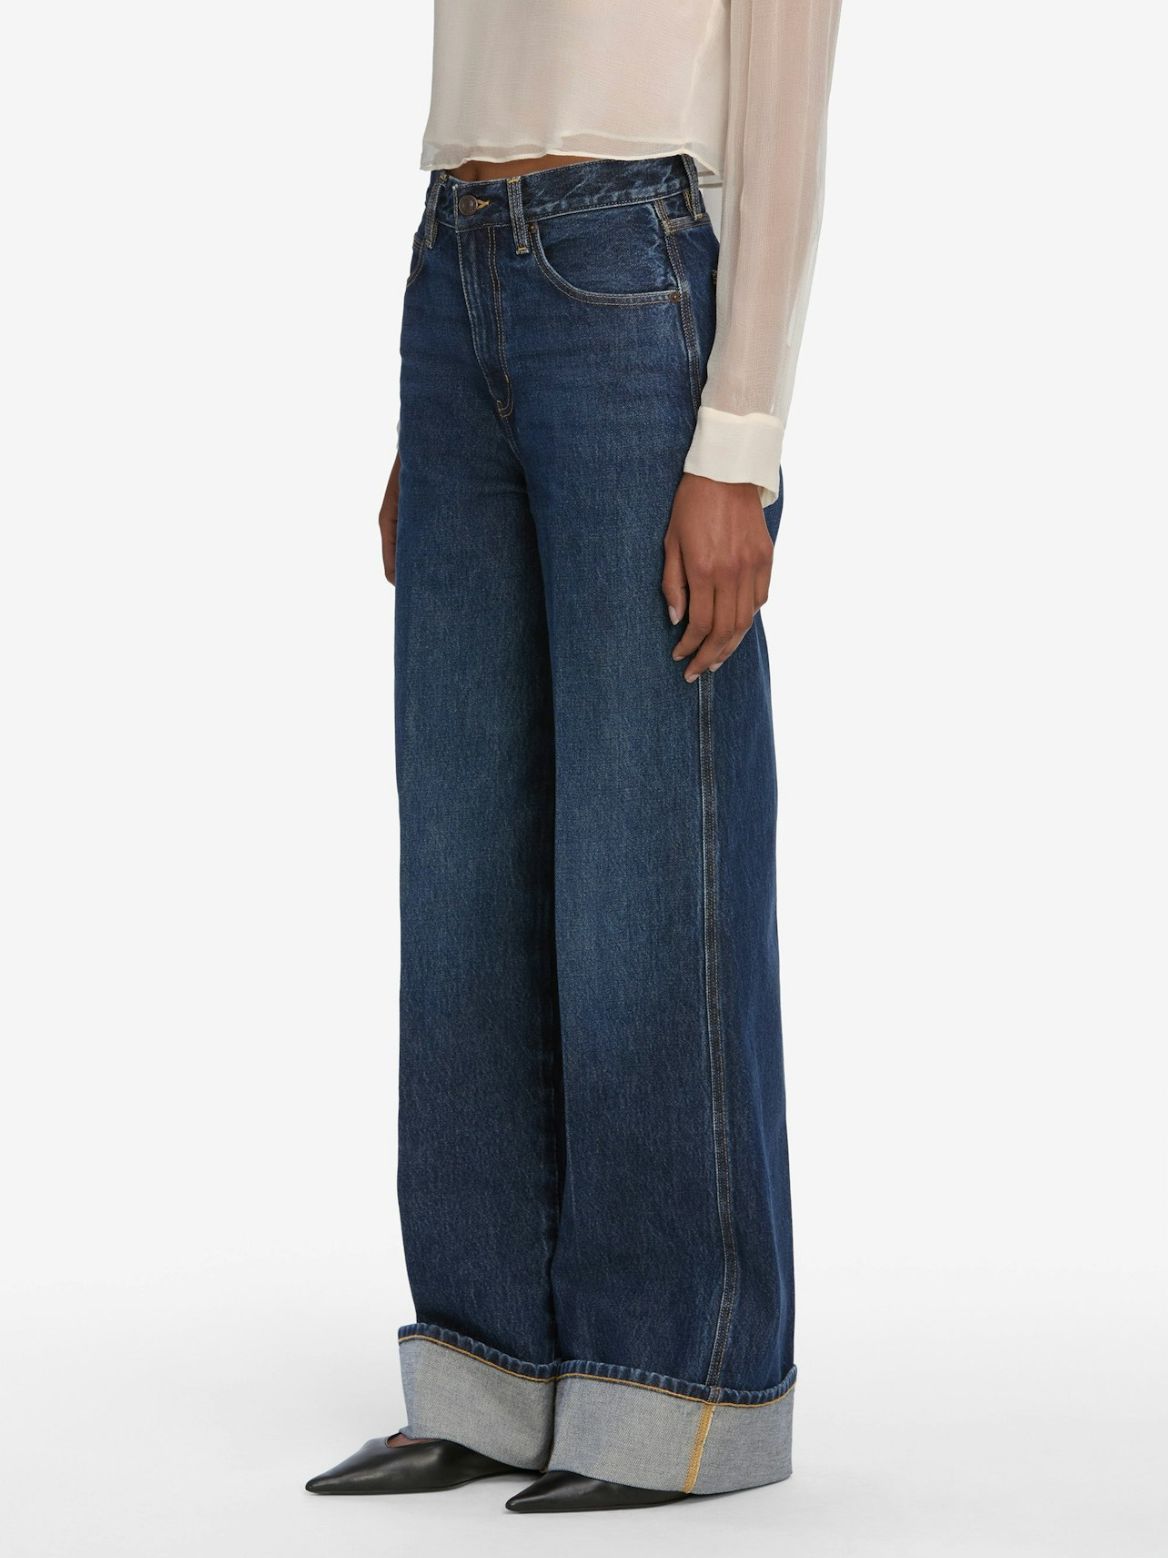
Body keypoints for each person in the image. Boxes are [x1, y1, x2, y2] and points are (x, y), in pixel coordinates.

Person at [308, 0, 842, 1513]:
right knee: (464, 866)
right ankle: (487, 1371)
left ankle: (679, 1385)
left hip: (629, 267)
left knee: (644, 862)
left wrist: (739, 440)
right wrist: (441, 419)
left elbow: (787, 99)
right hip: (456, 268)